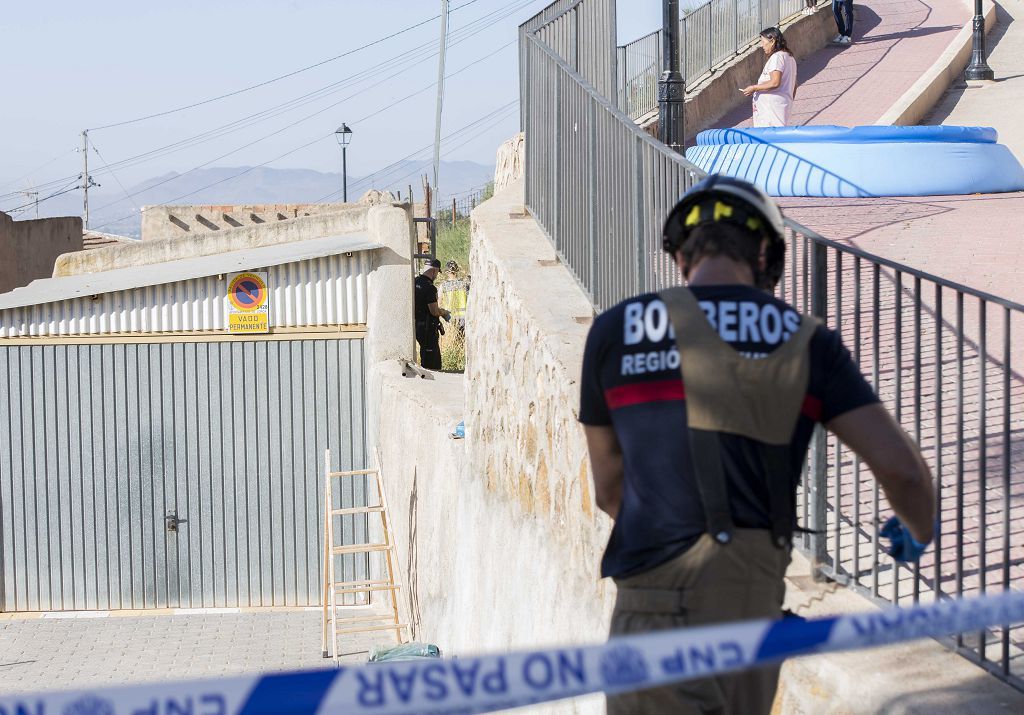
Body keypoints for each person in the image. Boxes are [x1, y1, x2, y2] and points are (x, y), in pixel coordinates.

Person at [579, 175, 936, 714]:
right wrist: (918, 528)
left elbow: (609, 490)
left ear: (681, 256)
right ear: (766, 251)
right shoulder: (806, 340)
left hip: (652, 607)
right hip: (752, 609)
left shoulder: (615, 332)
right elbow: (903, 470)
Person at [742, 27, 798, 127]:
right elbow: (794, 85)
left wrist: (754, 88)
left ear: (772, 41)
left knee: (770, 137)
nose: (762, 46)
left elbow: (775, 82)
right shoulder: (789, 57)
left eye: (763, 42)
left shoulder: (777, 57)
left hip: (771, 111)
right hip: (778, 107)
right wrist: (788, 100)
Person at [414, 258, 451, 370]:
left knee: (424, 353)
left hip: (417, 325)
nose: (436, 276)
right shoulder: (430, 288)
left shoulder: (415, 282)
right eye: (437, 272)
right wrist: (444, 312)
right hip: (427, 327)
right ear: (434, 270)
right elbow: (434, 311)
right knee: (432, 361)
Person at [438, 259, 469, 333]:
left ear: (447, 272)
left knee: (453, 339)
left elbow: (439, 302)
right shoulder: (464, 284)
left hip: (449, 317)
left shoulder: (443, 285)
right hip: (464, 317)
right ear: (457, 270)